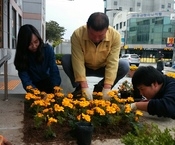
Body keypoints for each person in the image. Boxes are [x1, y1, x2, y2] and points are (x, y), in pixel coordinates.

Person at [61, 12, 129, 100]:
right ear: (87, 27)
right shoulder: (77, 34)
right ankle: (79, 88)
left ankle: (100, 88)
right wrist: (84, 86)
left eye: (101, 36)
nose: (96, 39)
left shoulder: (115, 36)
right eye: (92, 35)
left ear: (107, 29)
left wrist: (107, 87)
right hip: (85, 67)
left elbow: (113, 62)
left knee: (124, 65)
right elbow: (78, 60)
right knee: (66, 60)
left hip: (103, 67)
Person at [14, 24, 61, 93]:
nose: (34, 46)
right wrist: (33, 91)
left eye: (36, 42)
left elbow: (54, 70)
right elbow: (25, 77)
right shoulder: (22, 56)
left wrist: (56, 87)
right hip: (33, 84)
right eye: (29, 44)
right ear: (23, 44)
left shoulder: (47, 49)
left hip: (49, 82)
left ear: (39, 39)